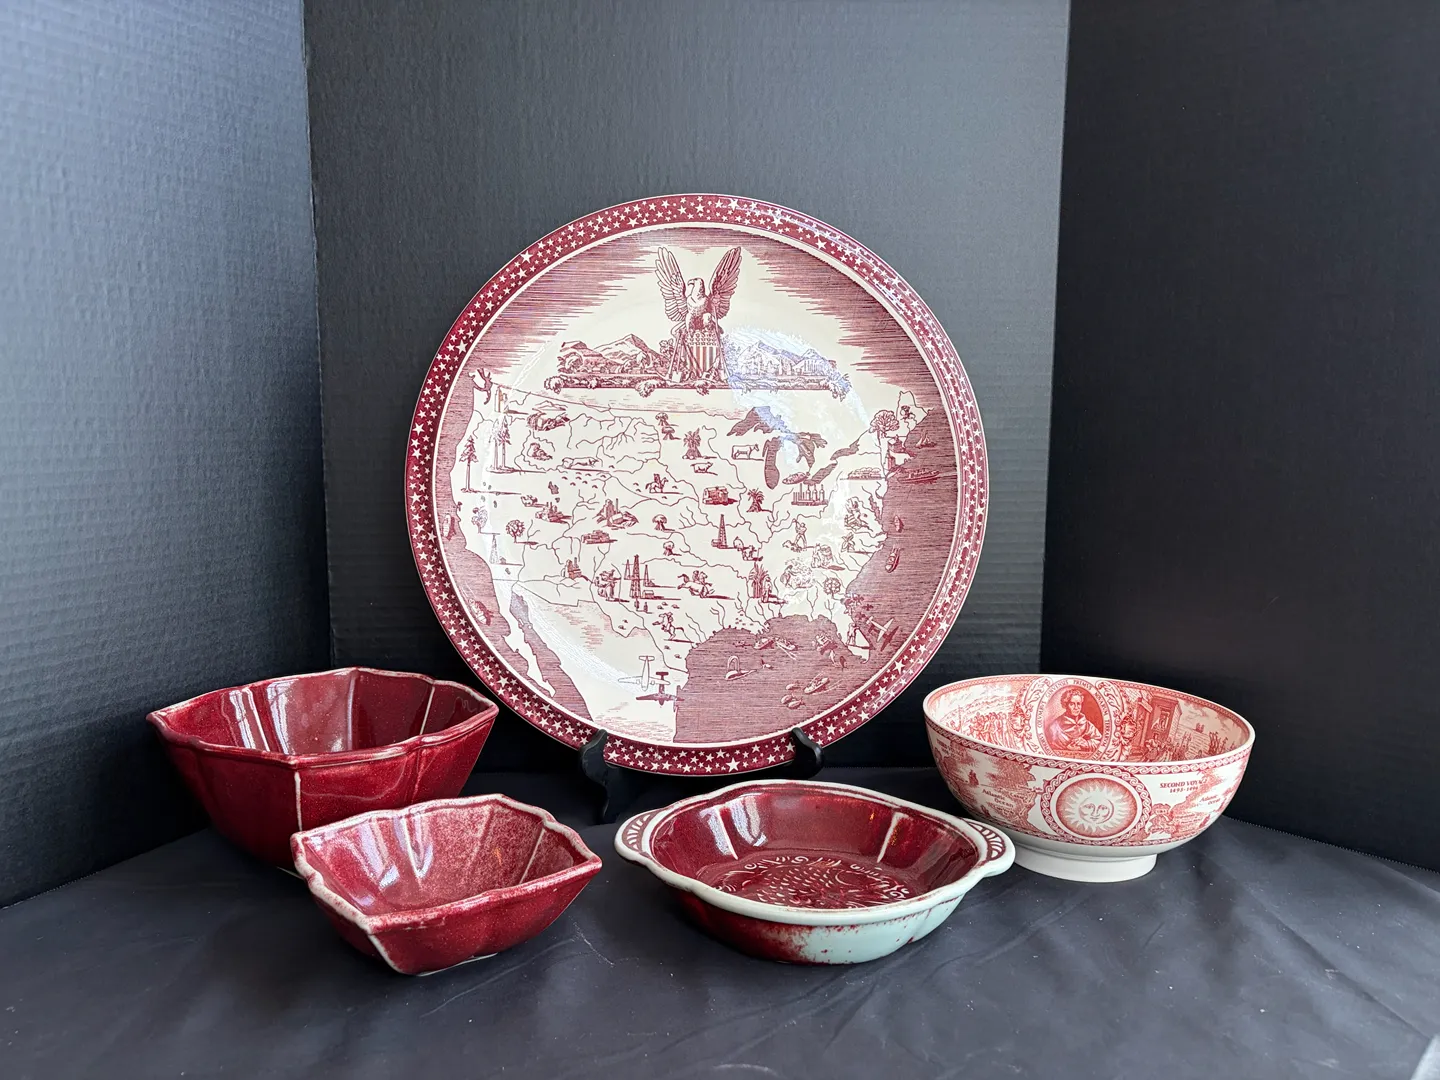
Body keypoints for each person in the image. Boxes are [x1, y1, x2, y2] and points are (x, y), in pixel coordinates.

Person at [1045, 688, 1103, 754]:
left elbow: (1101, 742)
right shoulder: (1054, 726)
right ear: (1065, 705)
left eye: (1078, 704)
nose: (1076, 708)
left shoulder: (1088, 726)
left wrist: (1086, 744)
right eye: (1072, 704)